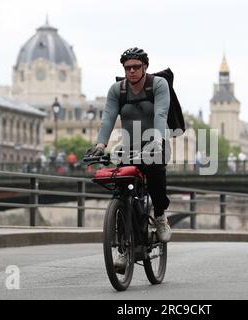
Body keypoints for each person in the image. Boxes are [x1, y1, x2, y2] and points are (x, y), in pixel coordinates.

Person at [85, 48, 172, 269]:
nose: (131, 71)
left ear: (145, 67)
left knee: (155, 175)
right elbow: (108, 118)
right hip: (129, 146)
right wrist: (100, 145)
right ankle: (124, 250)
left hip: (156, 143)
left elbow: (161, 114)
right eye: (127, 68)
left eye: (136, 67)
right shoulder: (118, 90)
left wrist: (158, 140)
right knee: (121, 187)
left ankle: (160, 216)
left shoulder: (158, 85)